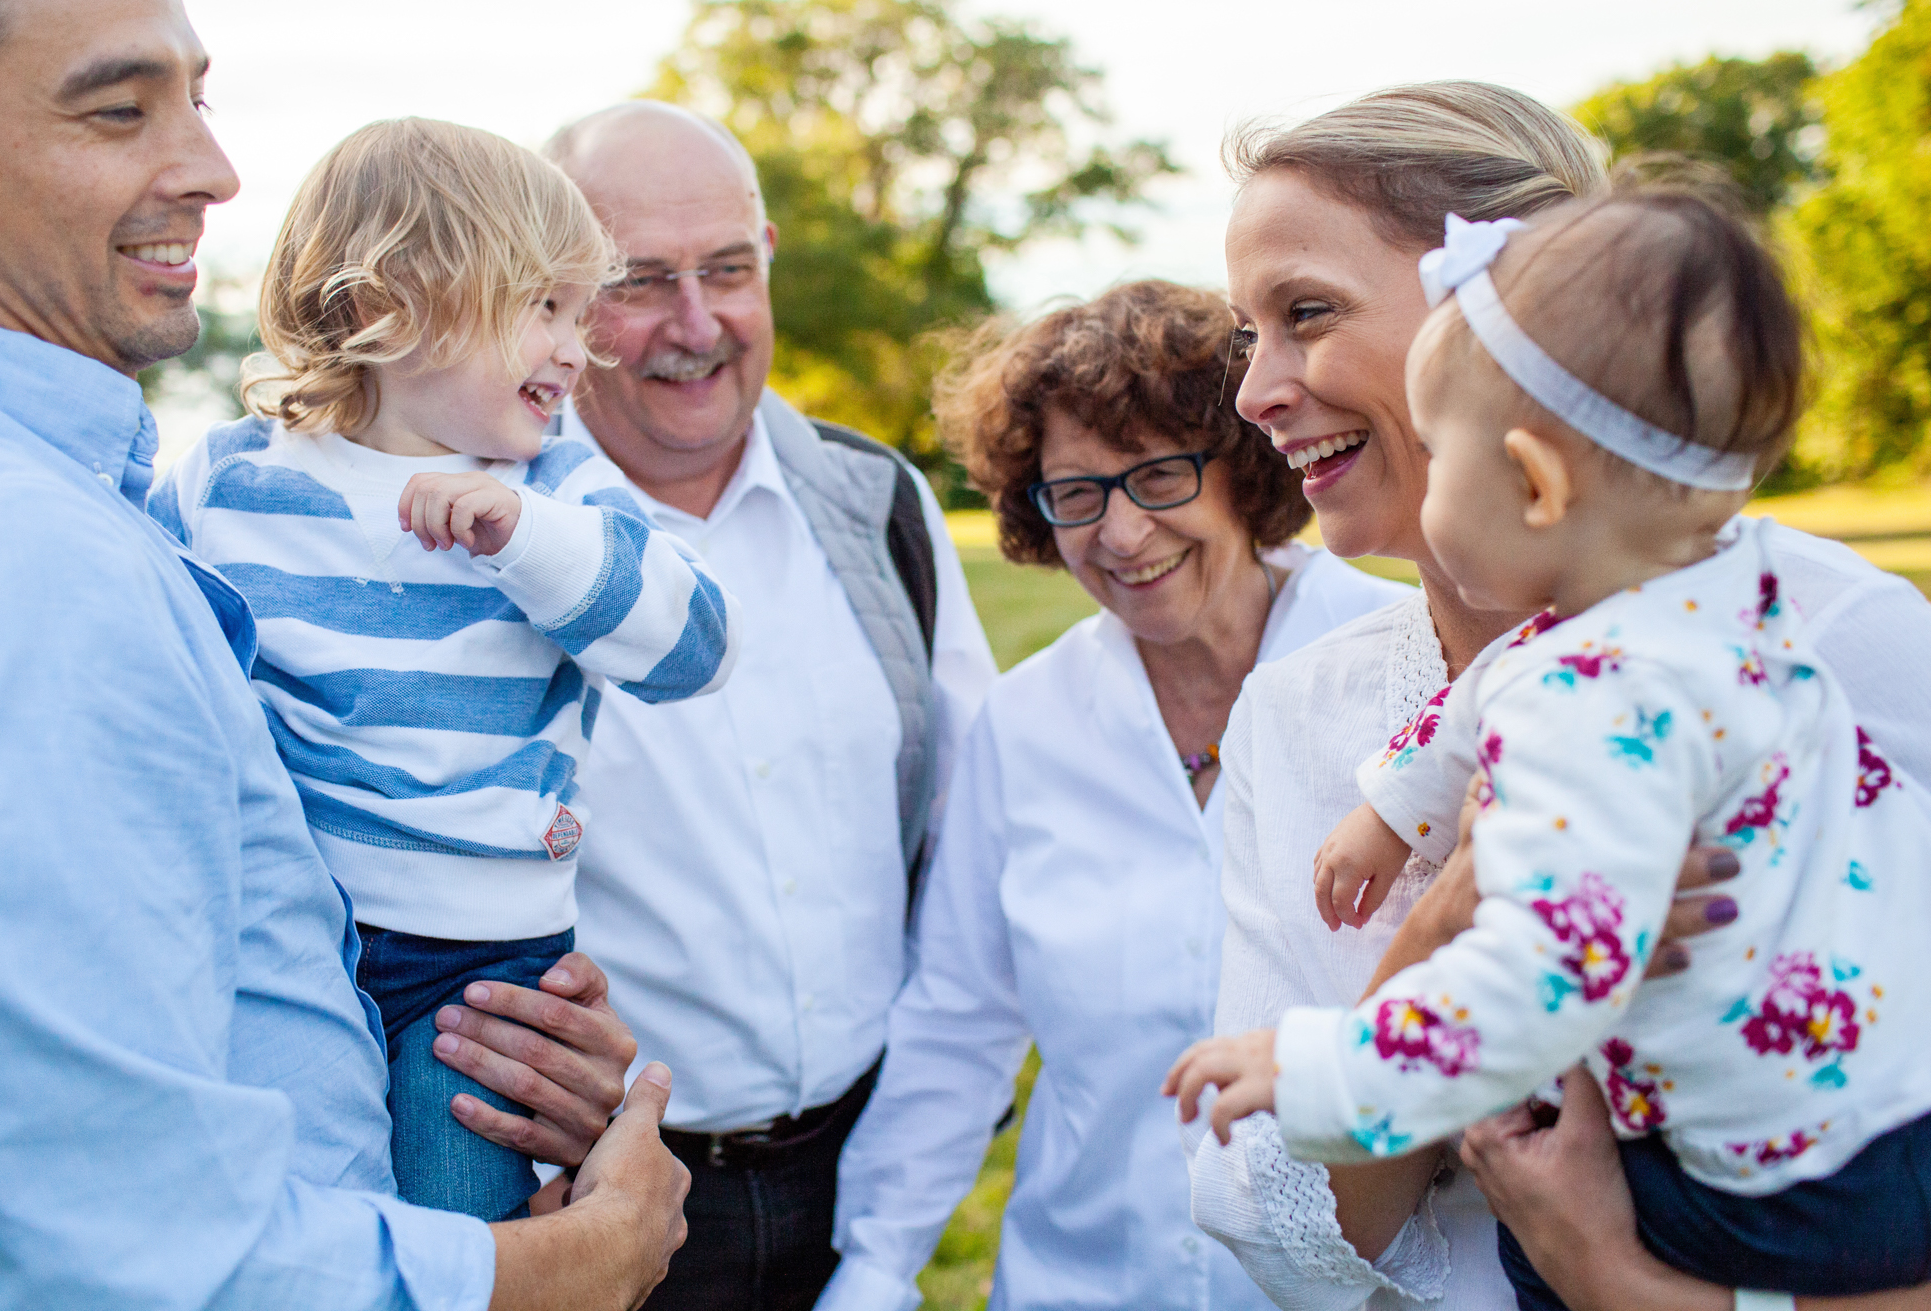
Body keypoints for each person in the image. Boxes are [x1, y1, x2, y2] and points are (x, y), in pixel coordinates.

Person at [0, 0, 686, 1305]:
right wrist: (562, 1271)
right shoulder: (12, 556)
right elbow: (117, 1255)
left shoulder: (46, 500)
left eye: (198, 97)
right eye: (116, 109)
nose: (215, 168)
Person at [1174, 80, 1931, 1311]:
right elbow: (1281, 1233)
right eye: (1245, 332)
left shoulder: (1842, 641)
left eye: (1303, 314)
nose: (1254, 391)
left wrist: (1612, 1279)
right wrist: (1444, 919)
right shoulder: (1299, 711)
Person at [152, 116, 738, 1222]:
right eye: (541, 307)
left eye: (579, 309)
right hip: (281, 942)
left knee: (458, 1237)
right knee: (280, 1226)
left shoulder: (559, 494)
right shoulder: (224, 485)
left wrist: (527, 539)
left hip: (480, 974)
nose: (578, 345)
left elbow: (694, 650)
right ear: (388, 309)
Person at [813, 281, 1408, 1311]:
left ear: (1241, 469)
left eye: (1157, 476)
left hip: (1363, 1289)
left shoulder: (1401, 670)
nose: (1122, 535)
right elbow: (958, 1026)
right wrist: (872, 1270)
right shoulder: (1027, 721)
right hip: (1080, 1283)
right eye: (1076, 493)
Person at [539, 99, 998, 1309]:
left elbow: (969, 829)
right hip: (600, 1203)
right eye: (639, 282)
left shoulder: (878, 501)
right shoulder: (480, 538)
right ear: (554, 295)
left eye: (727, 271)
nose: (697, 326)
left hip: (859, 1179)